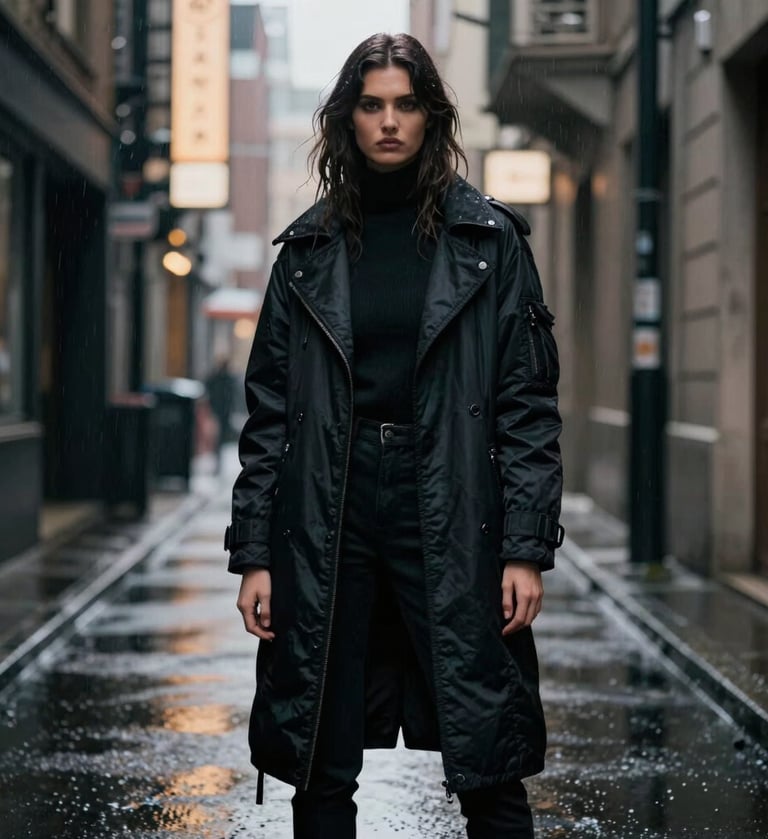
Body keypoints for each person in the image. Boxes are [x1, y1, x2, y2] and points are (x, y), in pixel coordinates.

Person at [225, 32, 563, 839]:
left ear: (431, 117)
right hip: (328, 506)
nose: (388, 122)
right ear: (346, 119)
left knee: (489, 743)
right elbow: (270, 414)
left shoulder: (489, 244)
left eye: (405, 105)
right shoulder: (305, 252)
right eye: (371, 105)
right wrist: (256, 555)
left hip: (448, 499)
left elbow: (526, 407)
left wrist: (524, 548)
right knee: (319, 747)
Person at [205, 355, 236, 473]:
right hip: (221, 410)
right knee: (219, 436)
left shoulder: (221, 378)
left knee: (219, 436)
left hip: (220, 410)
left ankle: (218, 459)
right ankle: (217, 458)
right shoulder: (224, 379)